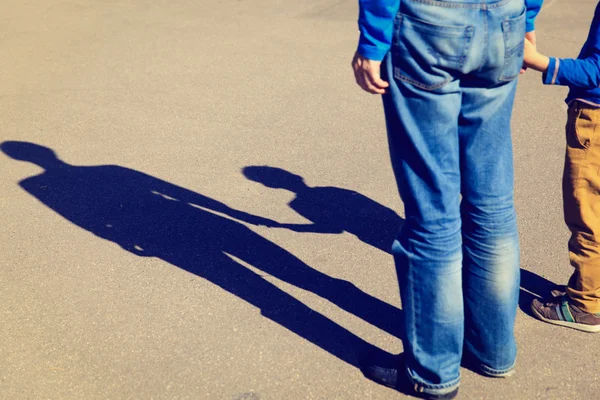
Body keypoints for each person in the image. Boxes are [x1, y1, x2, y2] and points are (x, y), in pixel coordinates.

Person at [352, 0, 542, 398]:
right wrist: (528, 14)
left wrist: (373, 39)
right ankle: (494, 351)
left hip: (432, 21)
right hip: (504, 15)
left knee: (433, 212)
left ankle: (433, 372)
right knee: (492, 203)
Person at [523, 2, 600, 333]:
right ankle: (590, 285)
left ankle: (584, 305)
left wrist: (538, 61)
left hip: (595, 122)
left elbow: (595, 72)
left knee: (587, 213)